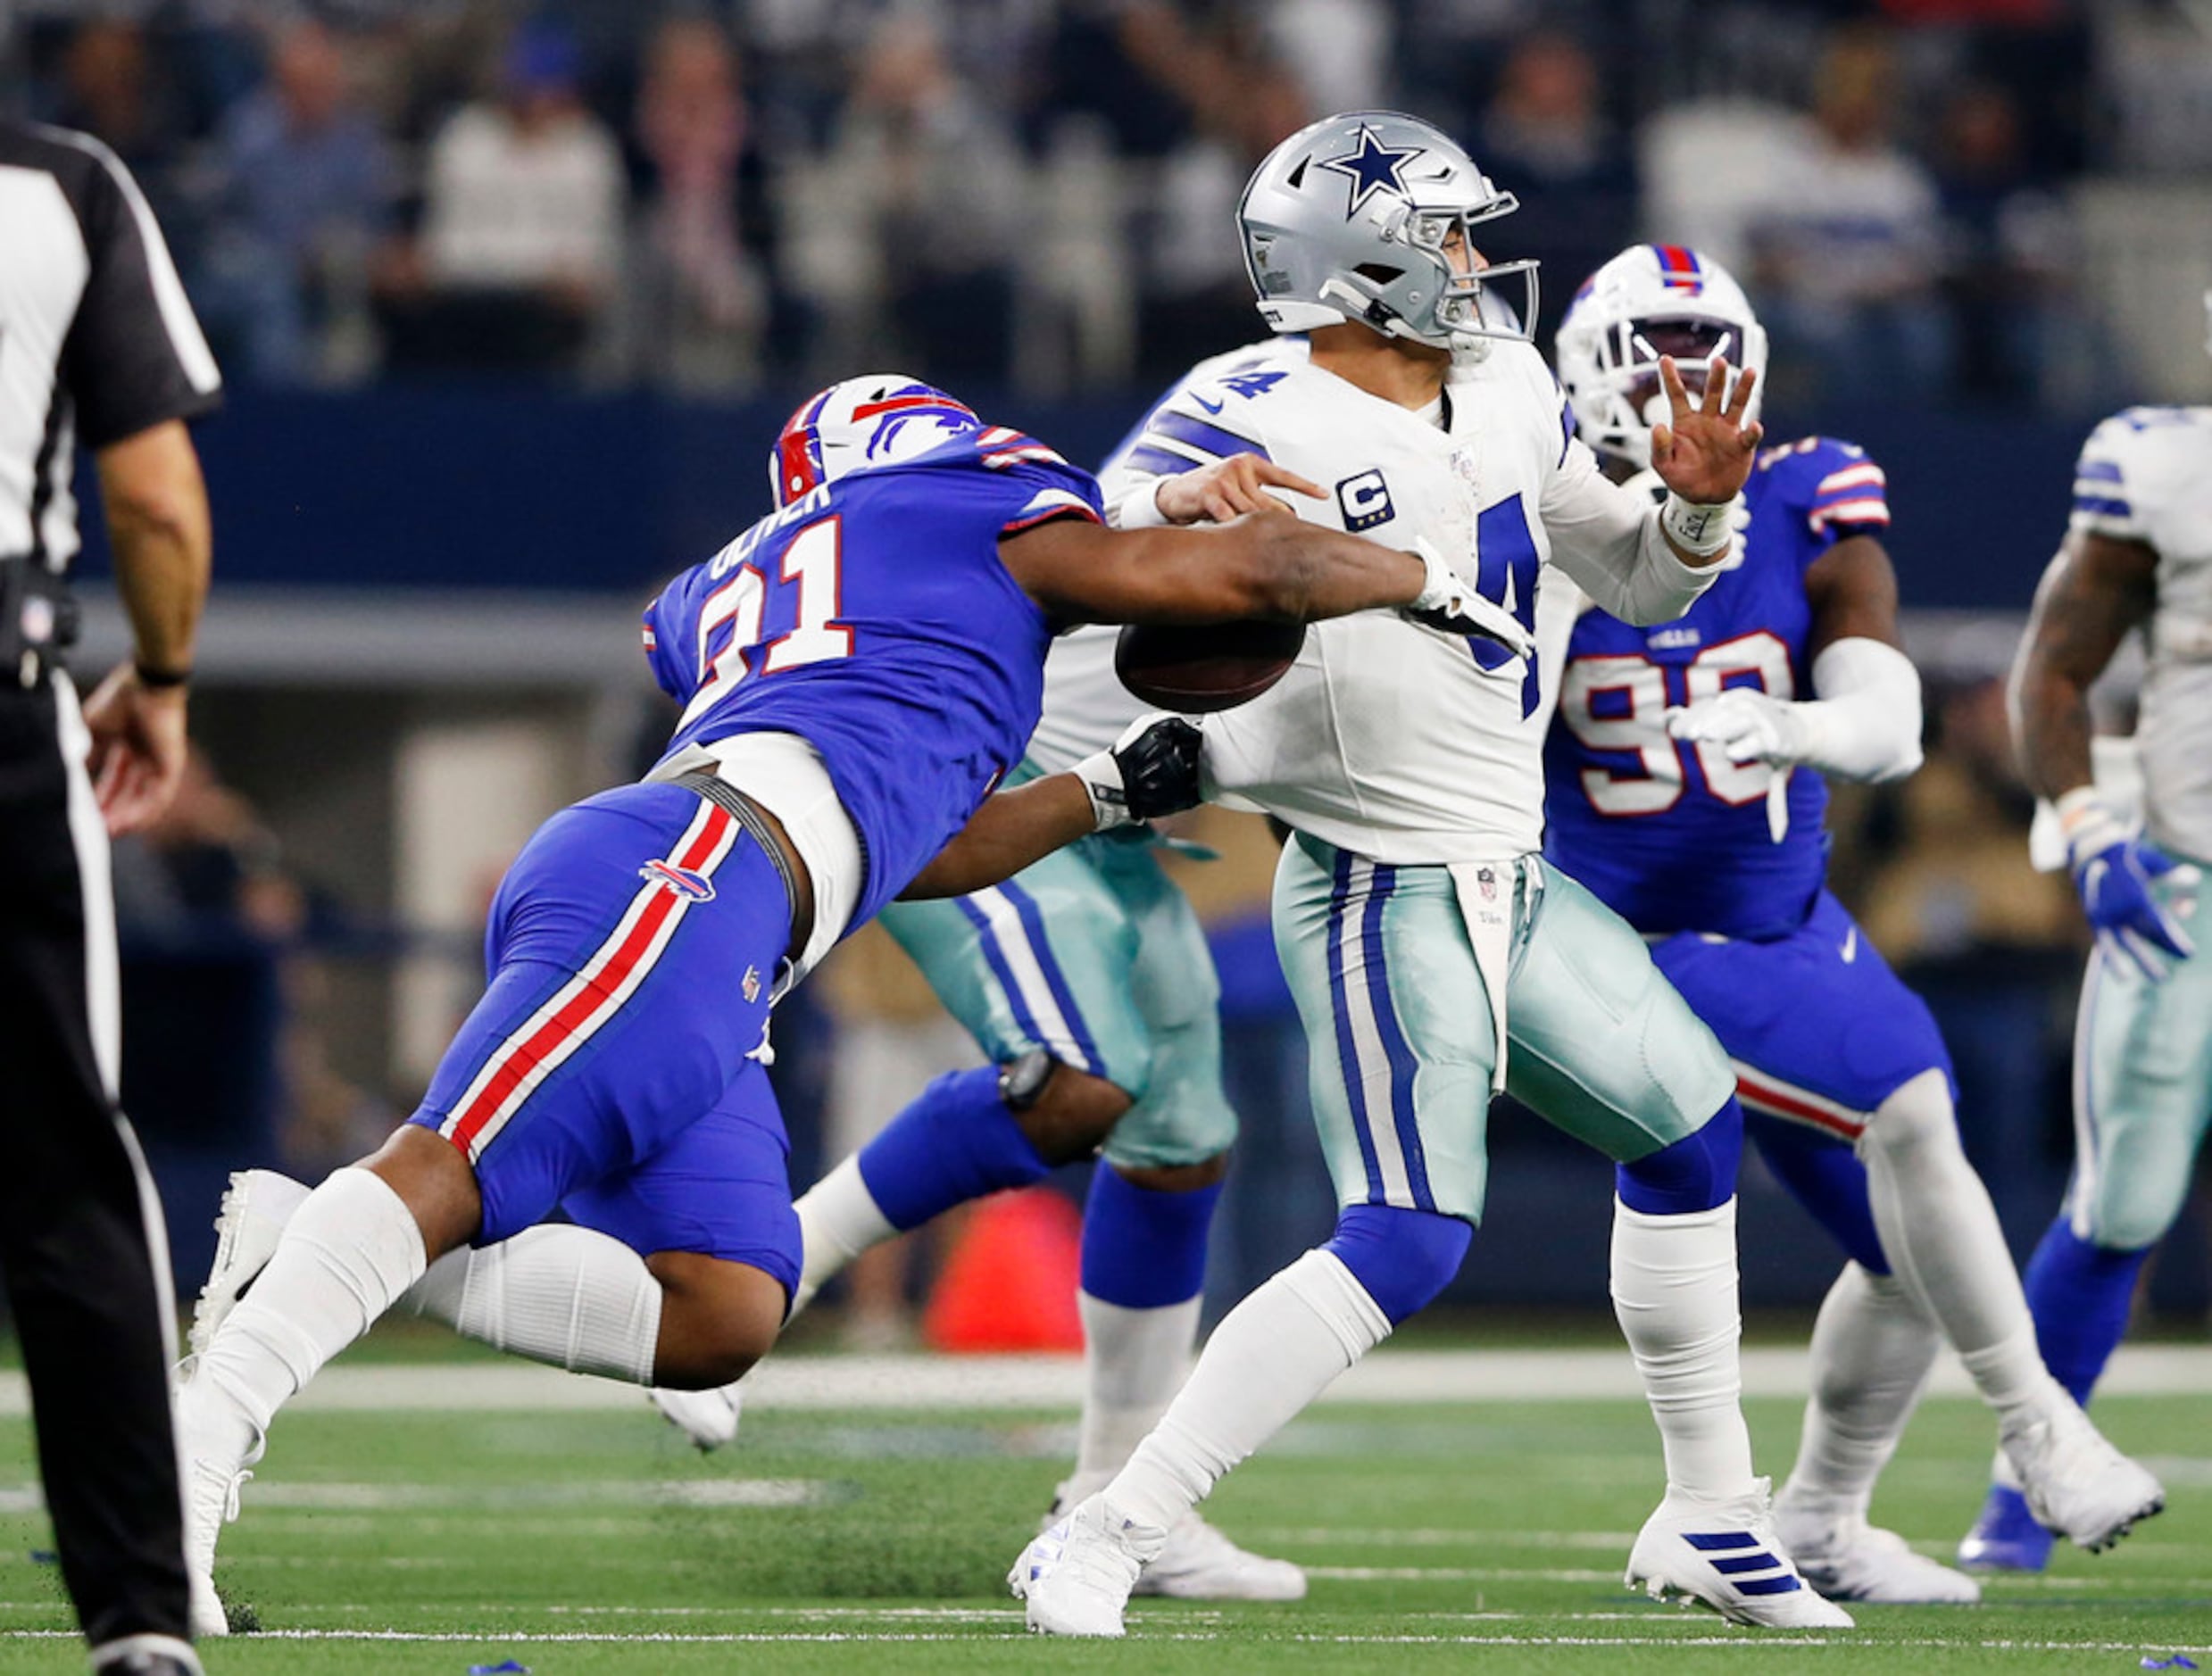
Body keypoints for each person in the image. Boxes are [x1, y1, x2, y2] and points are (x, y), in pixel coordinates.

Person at [170, 373, 1518, 1637]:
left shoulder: (742, 588)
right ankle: (189, 1462)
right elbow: (1266, 567)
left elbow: (914, 843)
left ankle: (306, 1242)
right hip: (692, 869)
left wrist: (1105, 789)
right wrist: (1430, 577)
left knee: (718, 1313)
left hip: (728, 893)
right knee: (453, 1159)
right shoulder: (958, 504)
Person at [1012, 110, 1843, 1638]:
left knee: (1689, 1132)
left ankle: (1709, 1513)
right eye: (1449, 234)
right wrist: (1168, 516)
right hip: (1375, 877)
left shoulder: (1509, 381)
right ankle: (1108, 1524)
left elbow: (1633, 579)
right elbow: (1064, 548)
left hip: (1506, 873)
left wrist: (1698, 502)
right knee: (1403, 1235)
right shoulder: (1246, 402)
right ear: (1364, 257)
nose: (1475, 261)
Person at [1543, 244, 2164, 1601]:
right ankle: (2039, 1427)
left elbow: (1885, 723)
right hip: (1624, 936)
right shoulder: (1538, 514)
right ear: (1586, 364)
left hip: (1783, 915)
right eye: (1650, 343)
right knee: (1912, 1115)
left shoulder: (1802, 489)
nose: (1682, 375)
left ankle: (1823, 1512)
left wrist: (1790, 723)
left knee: (1900, 1253)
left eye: (1705, 345)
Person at [0, 117, 222, 1676]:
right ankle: (139, 1617)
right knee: (66, 1164)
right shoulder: (62, 185)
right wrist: (159, 676)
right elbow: (153, 502)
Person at [1958, 306, 2212, 1572]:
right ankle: (2023, 1497)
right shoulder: (2161, 469)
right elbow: (2051, 671)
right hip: (2184, 884)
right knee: (2123, 1201)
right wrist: (2088, 826)